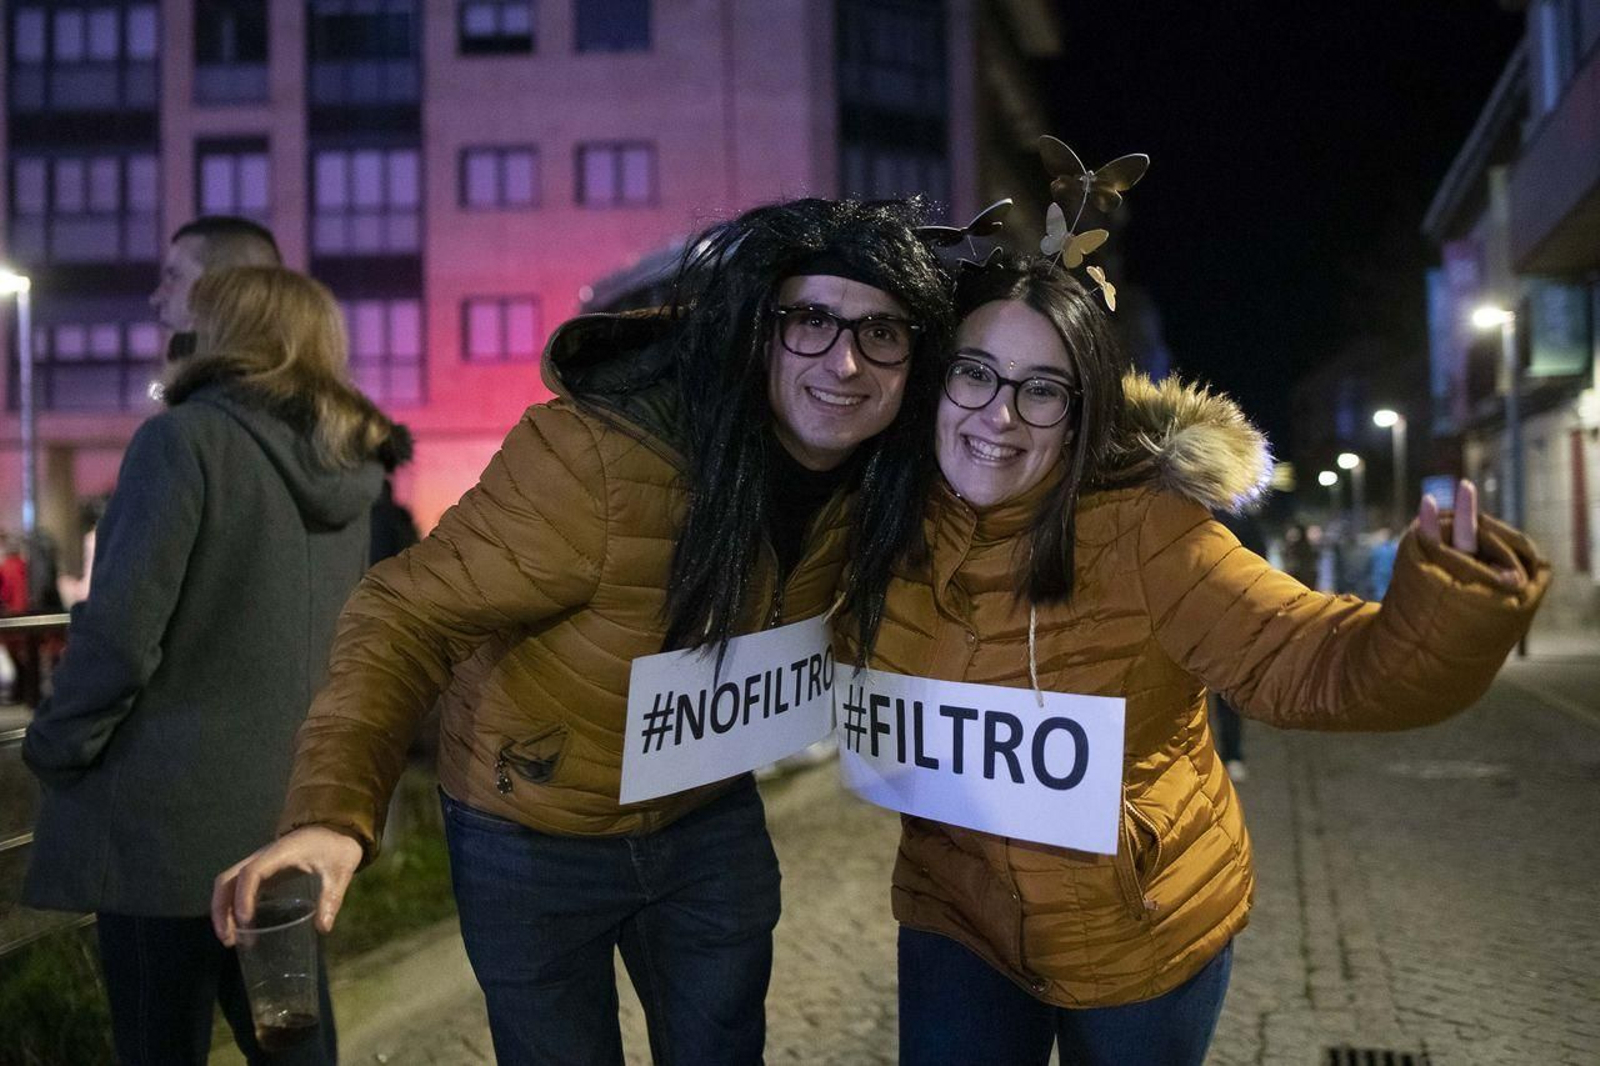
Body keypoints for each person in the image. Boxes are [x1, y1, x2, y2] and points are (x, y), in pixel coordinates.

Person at [213, 197, 952, 1065]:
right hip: (528, 829)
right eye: (812, 322)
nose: (846, 362)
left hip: (703, 813)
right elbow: (405, 611)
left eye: (882, 334)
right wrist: (330, 816)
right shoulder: (597, 460)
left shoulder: (885, 478)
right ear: (758, 330)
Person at [837, 255, 1547, 1066]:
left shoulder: (1149, 531)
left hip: (1141, 928)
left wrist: (1449, 610)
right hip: (953, 918)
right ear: (938, 382)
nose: (999, 415)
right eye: (975, 374)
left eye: (1040, 389)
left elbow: (1312, 658)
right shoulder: (876, 519)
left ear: (1078, 415)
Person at [22, 266, 397, 1065]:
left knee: (159, 1042)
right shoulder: (349, 474)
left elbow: (121, 633)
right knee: (291, 1042)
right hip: (288, 814)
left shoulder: (182, 441)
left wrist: (56, 743)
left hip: (166, 832)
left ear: (225, 338)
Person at [151, 214, 282, 363]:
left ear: (226, 286)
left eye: (174, 276)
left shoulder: (222, 380)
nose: (156, 297)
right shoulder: (281, 373)